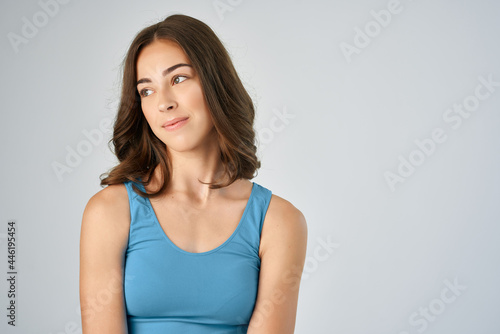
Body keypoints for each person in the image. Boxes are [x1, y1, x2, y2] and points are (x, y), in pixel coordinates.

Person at [79, 13, 307, 334]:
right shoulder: (109, 211)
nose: (164, 103)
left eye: (178, 79)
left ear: (215, 82)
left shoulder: (280, 221)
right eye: (146, 91)